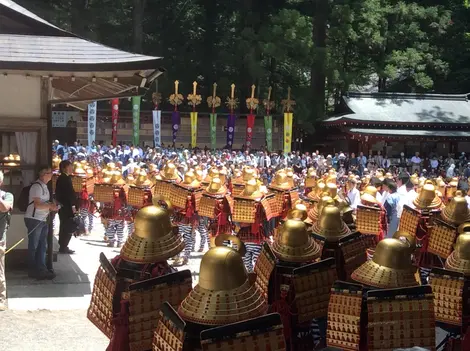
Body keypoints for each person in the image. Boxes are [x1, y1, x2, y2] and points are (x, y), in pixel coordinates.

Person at [24, 166, 56, 280]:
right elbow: (37, 204)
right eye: (49, 173)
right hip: (34, 219)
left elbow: (43, 202)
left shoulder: (45, 187)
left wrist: (51, 206)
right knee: (34, 245)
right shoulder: (36, 187)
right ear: (43, 175)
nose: (51, 175)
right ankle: (32, 270)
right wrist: (50, 206)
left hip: (42, 219)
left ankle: (41, 269)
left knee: (42, 245)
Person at [55, 160, 77, 254]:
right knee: (67, 225)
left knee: (65, 225)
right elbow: (68, 194)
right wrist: (73, 206)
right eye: (70, 166)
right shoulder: (63, 178)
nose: (71, 168)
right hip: (66, 206)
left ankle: (64, 245)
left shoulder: (65, 178)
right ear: (64, 168)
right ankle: (63, 245)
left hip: (65, 205)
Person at [0, 171, 13, 310]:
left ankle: (1, 300)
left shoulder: (7, 195)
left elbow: (4, 208)